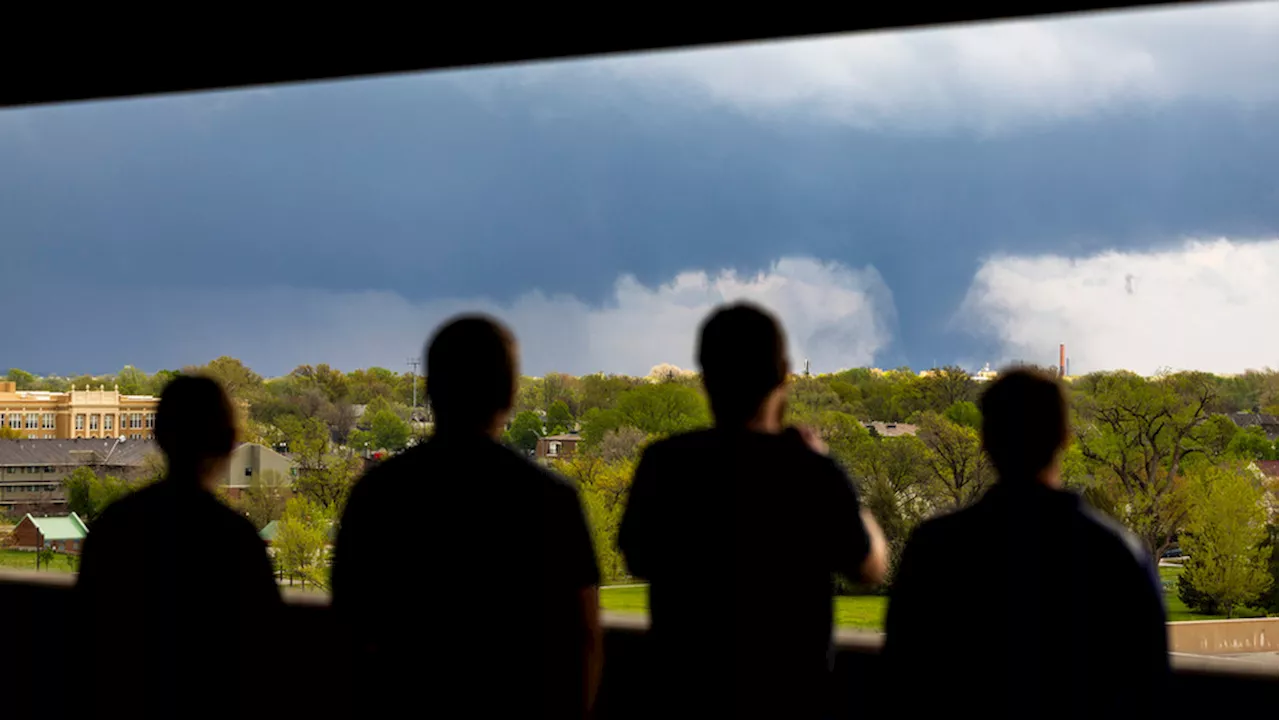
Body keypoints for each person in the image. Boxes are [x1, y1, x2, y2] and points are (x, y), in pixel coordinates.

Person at [618, 302, 888, 719]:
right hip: (791, 701)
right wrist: (840, 483)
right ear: (783, 373)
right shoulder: (810, 471)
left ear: (705, 378)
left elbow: (637, 560)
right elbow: (869, 569)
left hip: (683, 700)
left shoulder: (664, 463)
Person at [332, 315, 602, 718]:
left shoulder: (376, 495)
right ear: (510, 393)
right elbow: (584, 638)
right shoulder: (551, 499)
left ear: (432, 391)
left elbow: (347, 630)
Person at [882, 368, 1169, 719]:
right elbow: (1151, 687)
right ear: (1064, 437)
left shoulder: (934, 548)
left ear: (985, 439)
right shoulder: (1115, 554)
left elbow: (899, 676)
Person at [76, 375, 282, 719]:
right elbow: (266, 651)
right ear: (229, 441)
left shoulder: (114, 526)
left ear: (157, 436)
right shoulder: (235, 539)